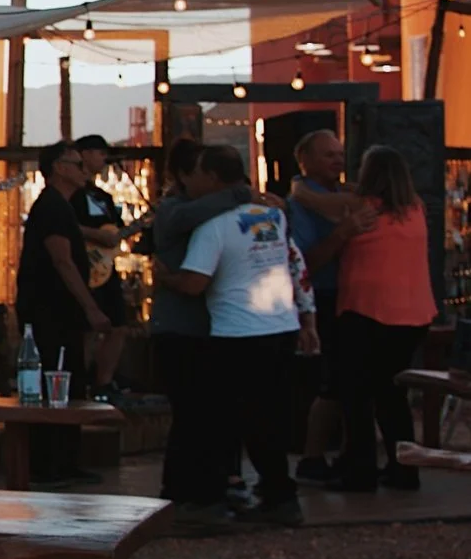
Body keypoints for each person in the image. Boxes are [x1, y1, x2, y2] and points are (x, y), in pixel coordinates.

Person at [167, 144, 318, 526]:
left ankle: (212, 499)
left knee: (223, 420)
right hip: (280, 324)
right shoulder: (274, 215)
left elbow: (194, 283)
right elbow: (296, 263)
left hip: (236, 331)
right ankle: (279, 493)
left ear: (212, 178)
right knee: (270, 417)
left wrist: (165, 276)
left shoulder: (213, 226)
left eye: (199, 174)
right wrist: (308, 318)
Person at [144, 139, 254, 514]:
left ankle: (211, 484)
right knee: (191, 413)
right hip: (179, 329)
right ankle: (182, 490)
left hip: (207, 327)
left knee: (208, 412)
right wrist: (241, 194)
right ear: (184, 176)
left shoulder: (210, 211)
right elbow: (195, 214)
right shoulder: (174, 210)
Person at [322, 144, 437, 491]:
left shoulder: (361, 209)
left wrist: (298, 187)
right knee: (391, 394)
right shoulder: (415, 209)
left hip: (367, 311)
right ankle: (404, 469)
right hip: (414, 314)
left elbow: (313, 201)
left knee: (357, 395)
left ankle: (360, 471)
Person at [15, 139, 105, 485]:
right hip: (49, 312)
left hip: (59, 311)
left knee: (68, 383)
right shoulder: (52, 207)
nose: (84, 170)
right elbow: (62, 260)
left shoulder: (62, 207)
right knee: (53, 383)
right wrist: (90, 306)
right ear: (59, 168)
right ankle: (48, 463)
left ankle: (65, 460)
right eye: (77, 164)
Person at [283, 130, 352, 483]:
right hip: (322, 297)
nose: (337, 160)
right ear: (305, 161)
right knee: (328, 381)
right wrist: (341, 235)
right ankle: (312, 456)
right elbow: (304, 263)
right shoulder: (298, 206)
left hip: (352, 296)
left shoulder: (345, 195)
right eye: (328, 155)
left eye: (339, 154)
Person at [70, 135, 130, 402]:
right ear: (83, 154)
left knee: (118, 326)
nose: (104, 158)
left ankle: (103, 382)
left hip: (105, 268)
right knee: (86, 329)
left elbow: (115, 232)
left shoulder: (103, 197)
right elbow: (64, 225)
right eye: (99, 152)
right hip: (83, 267)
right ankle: (79, 381)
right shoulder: (70, 194)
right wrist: (96, 236)